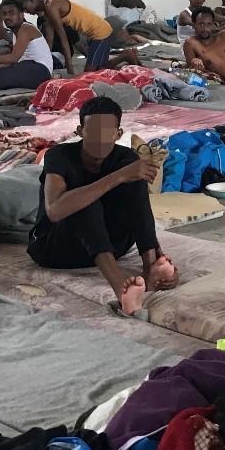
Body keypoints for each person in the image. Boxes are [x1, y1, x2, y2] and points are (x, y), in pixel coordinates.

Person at [27, 95, 178, 317]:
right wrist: (118, 176)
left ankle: (151, 268)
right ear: (80, 131)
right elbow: (55, 210)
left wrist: (157, 250)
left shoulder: (125, 157)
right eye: (93, 131)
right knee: (84, 203)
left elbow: (138, 208)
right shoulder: (59, 156)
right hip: (56, 248)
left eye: (107, 132)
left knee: (134, 185)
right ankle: (121, 289)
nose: (99, 139)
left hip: (110, 244)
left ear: (118, 134)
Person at [16, 0, 114, 76]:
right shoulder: (48, 13)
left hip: (100, 32)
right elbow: (49, 40)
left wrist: (70, 68)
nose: (25, 11)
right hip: (95, 33)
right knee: (100, 69)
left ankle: (125, 56)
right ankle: (124, 56)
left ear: (31, 0)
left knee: (88, 74)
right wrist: (44, 61)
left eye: (24, 8)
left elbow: (63, 38)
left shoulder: (52, 5)